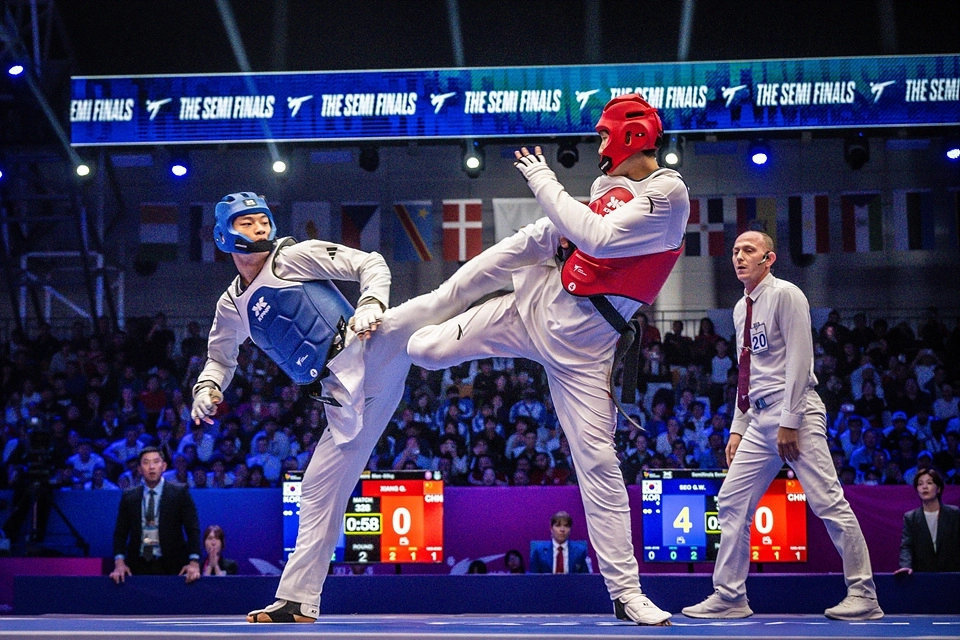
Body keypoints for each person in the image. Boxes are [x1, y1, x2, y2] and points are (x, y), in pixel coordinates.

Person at [409, 93, 688, 625]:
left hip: (584, 352)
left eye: (605, 135)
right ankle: (418, 310)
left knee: (600, 466)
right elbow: (564, 234)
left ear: (630, 137)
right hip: (533, 305)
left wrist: (542, 181)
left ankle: (626, 593)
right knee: (424, 347)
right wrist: (458, 288)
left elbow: (597, 239)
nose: (600, 145)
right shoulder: (609, 187)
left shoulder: (669, 194)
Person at [191, 192, 508, 623]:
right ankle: (298, 601)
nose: (260, 228)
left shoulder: (294, 256)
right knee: (316, 490)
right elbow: (220, 357)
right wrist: (207, 388)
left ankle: (530, 254)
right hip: (343, 399)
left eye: (262, 220)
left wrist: (371, 304)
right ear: (224, 235)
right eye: (246, 223)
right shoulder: (231, 306)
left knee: (440, 300)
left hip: (368, 347)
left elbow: (371, 263)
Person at [682, 231, 882, 621]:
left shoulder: (787, 294)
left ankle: (864, 595)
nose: (739, 257)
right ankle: (730, 597)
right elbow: (747, 370)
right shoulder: (742, 308)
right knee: (731, 502)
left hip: (797, 413)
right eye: (736, 251)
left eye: (749, 251)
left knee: (827, 501)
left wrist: (790, 421)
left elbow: (800, 361)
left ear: (769, 258)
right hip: (757, 418)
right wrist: (738, 427)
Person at [109, 447, 201, 583]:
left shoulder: (179, 493)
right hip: (137, 566)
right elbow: (120, 533)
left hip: (172, 565)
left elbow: (192, 530)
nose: (151, 467)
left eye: (156, 462)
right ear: (139, 469)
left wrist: (194, 562)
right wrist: (119, 563)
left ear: (164, 466)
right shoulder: (129, 496)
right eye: (146, 462)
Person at [894, 469, 960, 573]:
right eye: (920, 484)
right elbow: (907, 546)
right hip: (923, 576)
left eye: (929, 483)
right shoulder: (911, 518)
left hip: (952, 575)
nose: (924, 487)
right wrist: (906, 565)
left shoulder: (954, 514)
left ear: (938, 488)